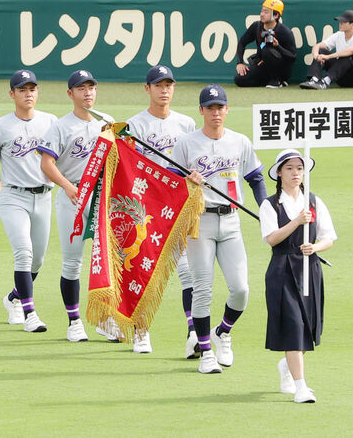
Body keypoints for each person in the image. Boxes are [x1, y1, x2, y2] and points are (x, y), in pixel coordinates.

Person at [172, 84, 268, 374]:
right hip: (200, 222)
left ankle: (223, 332)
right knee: (202, 289)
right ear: (201, 110)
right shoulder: (186, 144)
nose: (216, 112)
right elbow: (170, 185)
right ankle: (205, 352)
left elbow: (256, 178)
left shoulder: (240, 142)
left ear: (227, 110)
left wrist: (267, 210)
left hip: (231, 221)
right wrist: (188, 182)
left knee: (240, 289)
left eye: (220, 107)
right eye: (210, 107)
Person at [123, 65, 199, 357]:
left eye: (168, 84)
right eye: (158, 85)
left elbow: (194, 162)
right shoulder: (135, 125)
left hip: (178, 206)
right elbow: (129, 169)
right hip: (145, 208)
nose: (164, 90)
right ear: (148, 89)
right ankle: (141, 330)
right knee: (145, 270)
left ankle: (193, 333)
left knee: (187, 272)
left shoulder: (187, 124)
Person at [35, 69, 116, 343]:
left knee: (105, 261)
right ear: (71, 93)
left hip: (102, 198)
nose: (88, 93)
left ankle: (105, 319)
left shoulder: (107, 123)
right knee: (73, 262)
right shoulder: (60, 126)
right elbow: (46, 163)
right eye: (81, 88)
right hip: (73, 197)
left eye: (91, 87)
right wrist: (68, 187)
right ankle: (74, 321)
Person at [0, 69, 57, 333]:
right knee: (24, 253)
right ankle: (30, 313)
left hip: (43, 196)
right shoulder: (0, 126)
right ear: (12, 94)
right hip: (12, 196)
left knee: (38, 260)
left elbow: (61, 160)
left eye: (32, 89)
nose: (28, 94)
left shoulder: (50, 122)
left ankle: (13, 298)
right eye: (22, 89)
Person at [262, 149, 336, 404]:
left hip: (309, 268)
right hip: (282, 268)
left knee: (307, 326)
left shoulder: (314, 201)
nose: (296, 173)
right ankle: (301, 386)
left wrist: (315, 247)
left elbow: (329, 237)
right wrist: (296, 222)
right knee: (293, 325)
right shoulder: (270, 204)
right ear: (279, 172)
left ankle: (288, 365)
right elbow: (271, 238)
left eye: (300, 168)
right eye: (290, 168)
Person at [299, 10, 353, 89]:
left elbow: (352, 50)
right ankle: (313, 80)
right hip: (344, 79)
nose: (340, 23)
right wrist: (316, 55)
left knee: (351, 55)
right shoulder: (338, 35)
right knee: (321, 50)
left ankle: (325, 82)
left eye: (343, 22)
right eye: (340, 21)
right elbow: (318, 46)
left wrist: (328, 57)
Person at [234, 0, 297, 88]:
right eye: (262, 11)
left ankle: (277, 80)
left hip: (281, 70)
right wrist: (239, 62)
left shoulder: (285, 32)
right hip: (262, 66)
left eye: (266, 12)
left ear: (275, 15)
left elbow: (292, 57)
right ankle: (268, 81)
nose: (262, 14)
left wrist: (277, 46)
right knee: (239, 79)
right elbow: (242, 42)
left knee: (267, 50)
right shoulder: (256, 26)